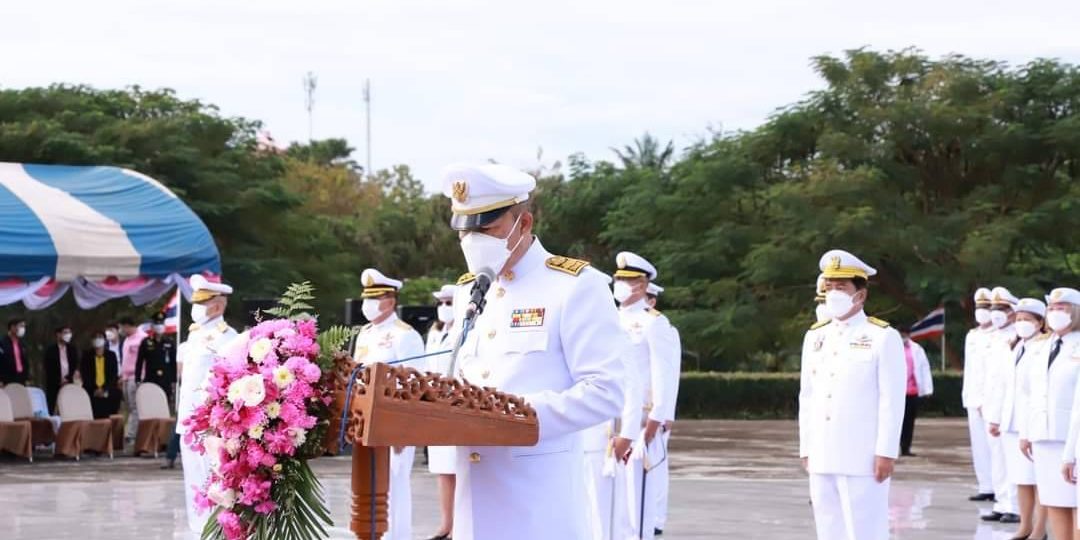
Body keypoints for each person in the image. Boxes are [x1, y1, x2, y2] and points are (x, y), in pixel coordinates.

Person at [440, 162, 625, 540]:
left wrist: (512, 415)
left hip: (540, 503)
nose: (472, 241)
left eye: (486, 229)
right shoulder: (467, 292)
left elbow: (606, 391)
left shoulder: (575, 286)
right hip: (475, 500)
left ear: (523, 223)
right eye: (465, 232)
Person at [798, 249, 905, 540]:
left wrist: (886, 452)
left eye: (841, 287)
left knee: (865, 530)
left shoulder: (882, 336)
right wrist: (806, 447)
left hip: (863, 455)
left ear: (861, 294)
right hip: (822, 451)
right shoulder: (815, 336)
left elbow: (891, 400)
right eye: (829, 286)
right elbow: (807, 396)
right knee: (828, 528)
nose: (833, 293)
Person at [351, 268, 426, 540]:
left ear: (390, 301)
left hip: (394, 422)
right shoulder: (365, 333)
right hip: (365, 420)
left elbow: (415, 384)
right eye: (366, 299)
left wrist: (403, 427)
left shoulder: (405, 335)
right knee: (368, 483)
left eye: (374, 299)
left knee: (394, 483)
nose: (368, 305)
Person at [172, 275, 237, 532]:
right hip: (187, 419)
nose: (196, 308)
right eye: (195, 303)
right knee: (193, 478)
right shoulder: (194, 336)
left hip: (210, 422)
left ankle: (216, 529)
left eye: (202, 303)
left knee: (214, 477)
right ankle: (197, 528)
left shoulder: (227, 337)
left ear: (217, 306)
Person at [582, 270, 640, 540]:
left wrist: (627, 434)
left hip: (600, 442)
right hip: (573, 440)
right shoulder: (573, 334)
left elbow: (632, 387)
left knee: (603, 515)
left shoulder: (617, 336)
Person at [988, 298, 1049, 540]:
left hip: (1032, 423)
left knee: (1039, 479)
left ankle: (1040, 529)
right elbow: (1002, 385)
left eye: (1027, 319)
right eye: (1019, 319)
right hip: (1011, 422)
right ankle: (1025, 525)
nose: (1021, 323)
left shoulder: (1045, 347)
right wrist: (996, 418)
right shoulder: (1014, 347)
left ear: (1040, 323)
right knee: (1021, 478)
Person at [1024, 287, 1080, 539]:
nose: (1055, 313)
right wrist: (1026, 432)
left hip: (1071, 437)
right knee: (1054, 500)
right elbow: (1031, 393)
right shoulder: (1042, 346)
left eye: (1062, 308)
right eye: (1052, 308)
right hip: (1043, 435)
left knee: (1076, 505)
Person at [645, 280, 681, 538]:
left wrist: (666, 412)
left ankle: (656, 517)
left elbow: (669, 373)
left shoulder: (662, 327)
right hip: (630, 411)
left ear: (652, 300)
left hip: (654, 410)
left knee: (655, 465)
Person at [982, 287, 1021, 523]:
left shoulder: (1017, 338)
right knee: (996, 458)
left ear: (1013, 311)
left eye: (1002, 308)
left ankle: (1014, 507)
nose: (996, 313)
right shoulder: (993, 337)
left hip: (1009, 410)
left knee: (1011, 460)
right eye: (994, 308)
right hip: (992, 407)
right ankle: (1001, 501)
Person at [425, 283, 459, 540]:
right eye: (441, 303)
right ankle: (445, 524)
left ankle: (458, 526)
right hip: (435, 405)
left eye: (449, 303)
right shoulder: (435, 333)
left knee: (457, 468)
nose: (444, 307)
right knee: (441, 468)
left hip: (456, 406)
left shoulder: (465, 330)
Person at [963, 287, 996, 502]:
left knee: (995, 447)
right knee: (979, 445)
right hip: (973, 397)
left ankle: (999, 488)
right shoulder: (972, 335)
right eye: (979, 307)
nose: (981, 311)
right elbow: (970, 369)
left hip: (990, 399)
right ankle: (985, 485)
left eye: (986, 307)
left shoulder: (1000, 335)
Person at [899, 327, 933, 457]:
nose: (903, 337)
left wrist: (928, 388)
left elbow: (924, 368)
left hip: (911, 391)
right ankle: (891, 448)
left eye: (905, 334)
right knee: (894, 421)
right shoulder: (891, 348)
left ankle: (905, 448)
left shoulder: (917, 349)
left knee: (909, 421)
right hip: (896, 392)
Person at [135, 313, 177, 406]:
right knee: (150, 405)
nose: (159, 326)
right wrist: (137, 379)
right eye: (157, 324)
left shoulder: (169, 342)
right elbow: (139, 362)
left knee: (164, 405)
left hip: (166, 380)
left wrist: (174, 380)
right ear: (152, 326)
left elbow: (173, 363)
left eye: (161, 323)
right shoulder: (146, 342)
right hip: (151, 378)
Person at [81, 330, 120, 419]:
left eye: (100, 337)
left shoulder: (111, 355)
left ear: (105, 340)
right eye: (95, 337)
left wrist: (104, 389)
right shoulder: (86, 356)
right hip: (91, 391)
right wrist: (95, 389)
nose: (97, 339)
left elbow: (113, 374)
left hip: (108, 390)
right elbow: (85, 374)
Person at [119, 316, 147, 443]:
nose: (121, 330)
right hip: (126, 377)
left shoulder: (142, 338)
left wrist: (140, 377)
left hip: (136, 377)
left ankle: (131, 434)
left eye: (122, 327)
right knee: (130, 407)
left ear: (127, 326)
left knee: (136, 406)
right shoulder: (127, 339)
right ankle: (132, 432)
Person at [43, 325, 79, 414]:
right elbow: (48, 368)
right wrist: (59, 380)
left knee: (69, 408)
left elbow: (75, 365)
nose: (68, 335)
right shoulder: (50, 350)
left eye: (69, 333)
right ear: (58, 334)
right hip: (54, 384)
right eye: (65, 333)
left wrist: (68, 378)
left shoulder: (72, 349)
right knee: (53, 408)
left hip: (69, 383)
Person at [0, 317, 30, 385]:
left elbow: (25, 362)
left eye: (23, 327)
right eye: (21, 326)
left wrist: (27, 377)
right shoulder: (2, 343)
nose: (23, 329)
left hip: (20, 378)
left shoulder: (22, 344)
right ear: (12, 327)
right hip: (6, 379)